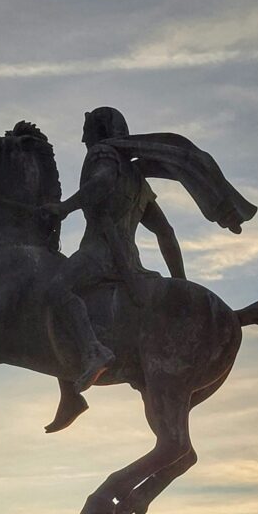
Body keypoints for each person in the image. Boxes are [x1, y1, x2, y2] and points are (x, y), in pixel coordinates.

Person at [40, 106, 185, 433]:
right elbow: (166, 233)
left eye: (86, 130)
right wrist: (180, 281)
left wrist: (64, 208)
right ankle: (70, 394)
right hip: (129, 262)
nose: (82, 138)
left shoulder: (102, 155)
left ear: (100, 131)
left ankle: (93, 353)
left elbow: (102, 183)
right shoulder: (138, 180)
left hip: (99, 254)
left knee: (54, 290)